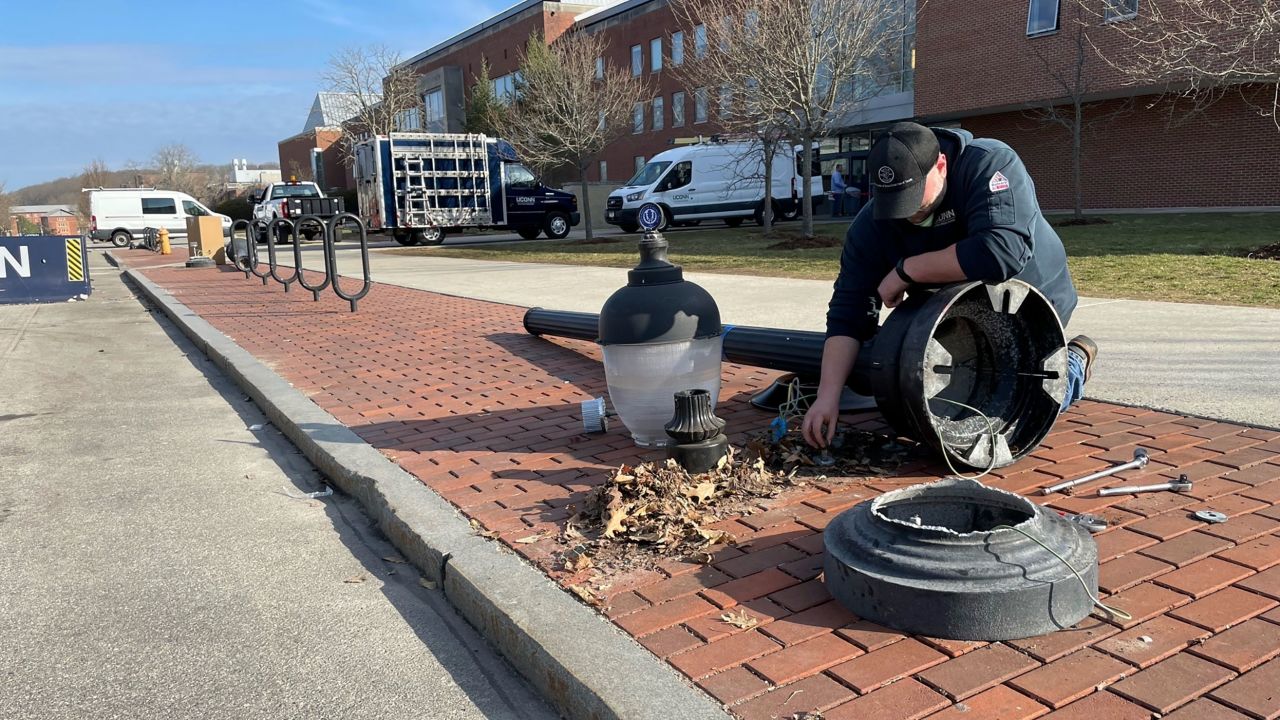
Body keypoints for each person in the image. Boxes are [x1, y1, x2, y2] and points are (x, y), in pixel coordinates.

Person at [801, 121, 1097, 448]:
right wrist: (827, 397)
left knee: (1024, 407)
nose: (907, 212)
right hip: (957, 307)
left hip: (1031, 298)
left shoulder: (989, 163)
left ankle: (1073, 364)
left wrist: (906, 270)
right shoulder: (870, 227)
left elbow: (1001, 251)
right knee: (961, 391)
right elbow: (849, 310)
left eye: (914, 197)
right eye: (896, 201)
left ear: (941, 165)